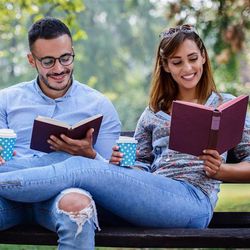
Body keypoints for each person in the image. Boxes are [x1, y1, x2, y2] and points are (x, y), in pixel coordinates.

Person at [0, 24, 249, 250]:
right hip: (153, 197)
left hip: (193, 202)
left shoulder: (225, 105)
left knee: (79, 165)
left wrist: (221, 171)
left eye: (193, 59)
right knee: (63, 156)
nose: (187, 68)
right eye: (177, 62)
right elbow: (140, 166)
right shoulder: (154, 112)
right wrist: (121, 169)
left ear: (203, 57)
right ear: (165, 65)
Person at [0, 17, 121, 249]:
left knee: (79, 208)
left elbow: (113, 179)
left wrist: (90, 156)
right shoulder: (6, 99)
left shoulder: (98, 105)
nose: (58, 69)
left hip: (63, 195)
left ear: (73, 53)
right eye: (47, 61)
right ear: (31, 60)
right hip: (10, 196)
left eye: (65, 58)